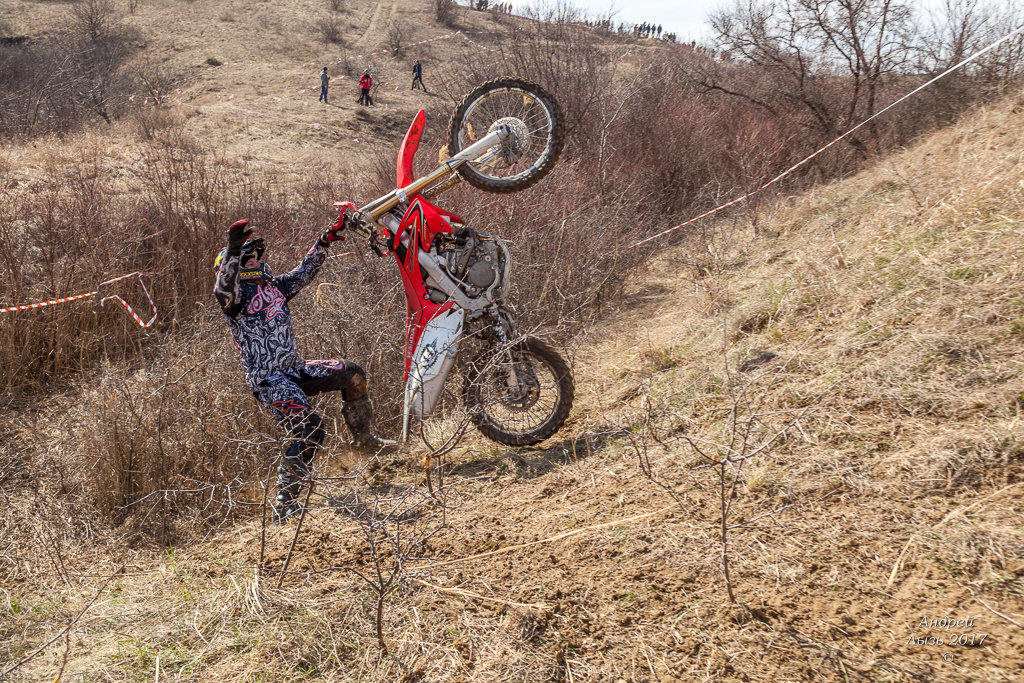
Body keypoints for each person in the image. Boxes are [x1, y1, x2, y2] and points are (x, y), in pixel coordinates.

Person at [213, 216, 393, 523]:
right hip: (268, 380)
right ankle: (285, 504)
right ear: (236, 263)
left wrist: (323, 241)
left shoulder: (275, 287)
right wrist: (232, 248)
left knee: (354, 374)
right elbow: (222, 290)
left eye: (258, 254)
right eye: (249, 255)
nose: (257, 259)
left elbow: (305, 272)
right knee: (310, 430)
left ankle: (363, 438)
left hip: (293, 370)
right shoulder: (235, 298)